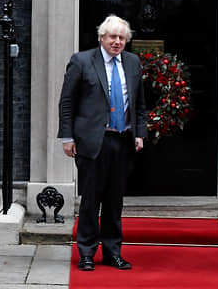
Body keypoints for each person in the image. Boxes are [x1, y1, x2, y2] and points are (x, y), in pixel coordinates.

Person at [58, 14, 147, 271]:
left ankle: (112, 252)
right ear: (101, 37)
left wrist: (139, 133)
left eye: (121, 37)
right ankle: (86, 252)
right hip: (91, 141)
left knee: (114, 201)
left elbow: (139, 104)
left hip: (122, 140)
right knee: (90, 200)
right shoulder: (82, 61)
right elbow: (67, 102)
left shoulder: (132, 62)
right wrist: (67, 136)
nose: (117, 42)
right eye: (112, 37)